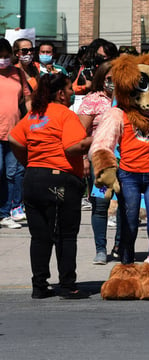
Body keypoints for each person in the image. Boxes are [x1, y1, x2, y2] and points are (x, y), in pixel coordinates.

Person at [9, 73, 92, 299]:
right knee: (66, 234)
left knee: (40, 236)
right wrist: (96, 138)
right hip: (60, 178)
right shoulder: (65, 115)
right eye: (70, 89)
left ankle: (39, 285)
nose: (73, 92)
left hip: (34, 179)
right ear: (61, 94)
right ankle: (68, 285)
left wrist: (29, 162)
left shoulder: (34, 115)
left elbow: (14, 138)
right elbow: (72, 147)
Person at [77, 61, 120, 264]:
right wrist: (84, 159)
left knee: (127, 205)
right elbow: (80, 133)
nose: (113, 83)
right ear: (102, 79)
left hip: (127, 159)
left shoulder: (130, 99)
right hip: (100, 161)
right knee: (101, 205)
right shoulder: (92, 101)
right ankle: (101, 249)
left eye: (116, 78)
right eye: (109, 79)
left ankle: (120, 246)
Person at [0, 38, 31, 229]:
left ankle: (6, 213)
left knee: (12, 174)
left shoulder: (18, 74)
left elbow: (27, 99)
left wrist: (34, 118)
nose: (3, 60)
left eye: (6, 56)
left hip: (13, 131)